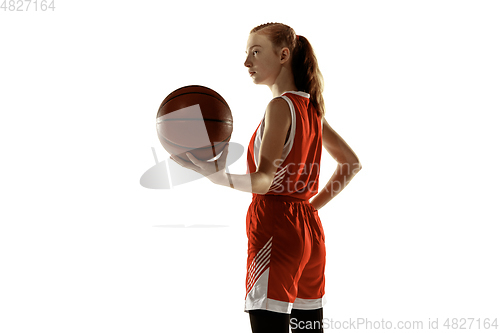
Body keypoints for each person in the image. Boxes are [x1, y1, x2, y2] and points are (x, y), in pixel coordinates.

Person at [171, 22, 362, 333]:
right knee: (307, 330)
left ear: (283, 55)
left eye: (256, 52)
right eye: (247, 53)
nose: (247, 62)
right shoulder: (311, 109)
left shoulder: (279, 106)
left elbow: (263, 180)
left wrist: (218, 177)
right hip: (308, 231)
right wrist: (311, 208)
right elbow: (350, 164)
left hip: (275, 223)